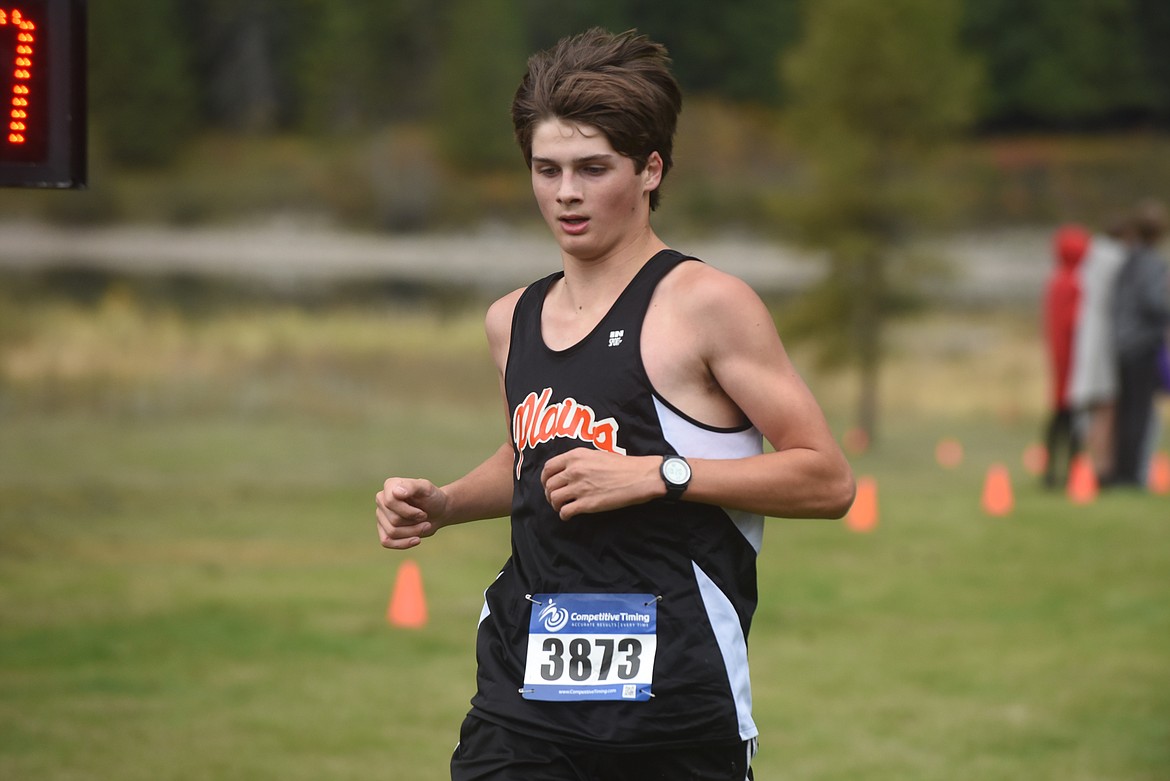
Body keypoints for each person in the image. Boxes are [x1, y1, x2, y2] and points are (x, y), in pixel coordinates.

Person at [374, 28, 855, 781]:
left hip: (675, 708)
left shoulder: (706, 304)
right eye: (547, 169)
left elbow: (827, 480)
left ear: (650, 168)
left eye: (593, 168)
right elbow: (529, 462)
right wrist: (443, 501)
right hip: (520, 699)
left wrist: (658, 473)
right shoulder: (512, 319)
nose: (566, 192)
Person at [1108, 199, 1170, 487]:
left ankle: (1123, 469)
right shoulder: (1152, 263)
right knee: (1139, 412)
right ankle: (1131, 474)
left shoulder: (1128, 259)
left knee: (1127, 410)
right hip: (1142, 344)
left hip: (1123, 343)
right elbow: (1154, 302)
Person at [1067, 216, 1131, 481]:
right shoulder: (1117, 260)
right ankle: (1103, 468)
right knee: (1106, 409)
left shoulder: (1091, 260)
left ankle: (1090, 465)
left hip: (1087, 339)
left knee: (1094, 410)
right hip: (1105, 341)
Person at [1041, 223, 1089, 488]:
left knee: (1059, 412)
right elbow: (1076, 321)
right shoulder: (1076, 282)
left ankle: (1052, 471)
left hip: (1059, 357)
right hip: (1073, 358)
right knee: (1071, 415)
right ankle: (1073, 470)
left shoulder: (1056, 280)